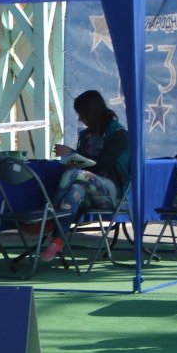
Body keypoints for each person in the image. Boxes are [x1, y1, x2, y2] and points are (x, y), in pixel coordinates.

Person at [40, 89, 130, 262]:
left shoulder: (119, 134)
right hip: (89, 191)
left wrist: (73, 155)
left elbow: (100, 164)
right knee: (75, 190)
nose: (80, 119)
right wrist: (71, 157)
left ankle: (50, 213)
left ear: (91, 112)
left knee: (76, 173)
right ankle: (58, 239)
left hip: (112, 191)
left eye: (81, 114)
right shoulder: (87, 135)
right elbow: (83, 162)